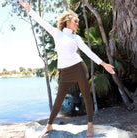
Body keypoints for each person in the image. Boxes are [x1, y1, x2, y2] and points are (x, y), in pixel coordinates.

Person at [19, 1, 115, 138]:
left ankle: (90, 125)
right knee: (58, 99)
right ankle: (49, 125)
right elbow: (42, 22)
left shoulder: (76, 37)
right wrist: (30, 10)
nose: (77, 23)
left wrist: (103, 64)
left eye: (78, 21)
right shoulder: (56, 33)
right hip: (64, 71)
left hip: (79, 68)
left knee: (86, 97)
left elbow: (88, 52)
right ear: (67, 21)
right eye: (75, 21)